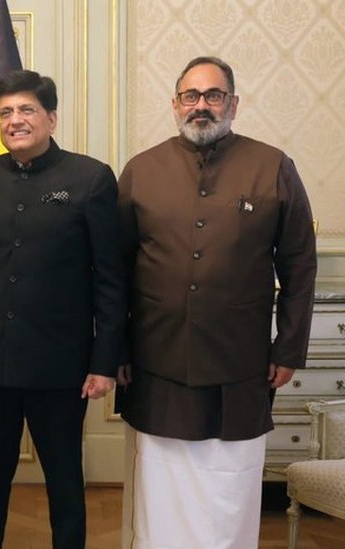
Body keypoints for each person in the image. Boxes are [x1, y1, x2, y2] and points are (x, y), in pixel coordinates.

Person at [117, 56, 317, 548]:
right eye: (191, 95)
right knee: (161, 489)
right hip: (157, 358)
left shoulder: (273, 167)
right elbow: (114, 271)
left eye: (213, 95)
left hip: (239, 361)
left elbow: (298, 266)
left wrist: (289, 348)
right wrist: (114, 349)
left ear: (233, 103)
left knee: (229, 486)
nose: (201, 105)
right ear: (175, 104)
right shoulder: (141, 170)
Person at [0, 69, 127, 549]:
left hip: (61, 368)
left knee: (65, 483)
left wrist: (104, 362)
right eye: (5, 112)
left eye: (26, 110)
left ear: (51, 118)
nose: (14, 120)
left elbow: (110, 279)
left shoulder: (90, 178)